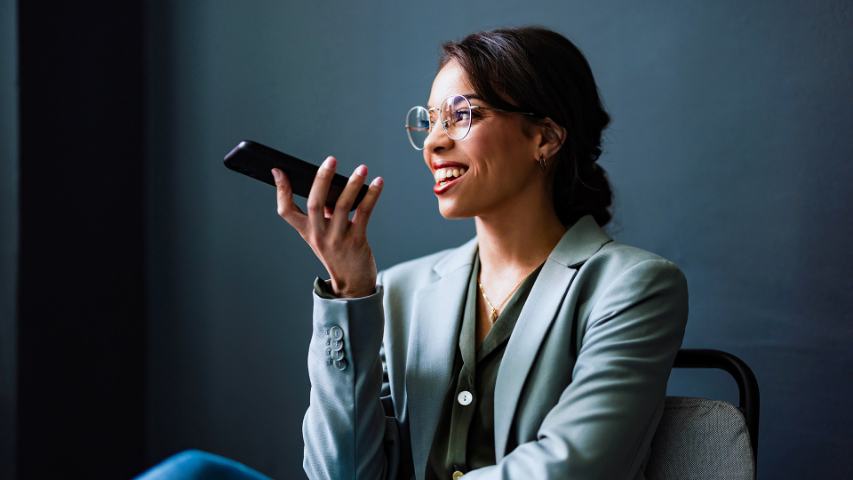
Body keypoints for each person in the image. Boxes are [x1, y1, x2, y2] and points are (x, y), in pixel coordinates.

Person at [136, 25, 688, 480]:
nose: (433, 142)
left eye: (462, 116)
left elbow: (574, 468)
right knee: (188, 472)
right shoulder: (398, 291)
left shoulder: (632, 285)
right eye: (429, 121)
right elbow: (340, 473)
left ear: (544, 137)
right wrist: (349, 294)